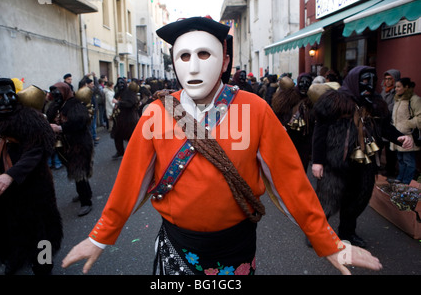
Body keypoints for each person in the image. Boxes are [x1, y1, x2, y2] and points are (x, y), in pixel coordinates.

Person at [62, 16, 382, 276]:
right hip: (177, 246)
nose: (194, 66)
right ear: (174, 62)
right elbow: (129, 182)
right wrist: (99, 237)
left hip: (235, 248)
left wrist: (328, 242)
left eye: (204, 54)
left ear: (225, 59)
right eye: (183, 56)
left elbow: (290, 184)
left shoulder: (255, 109)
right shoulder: (156, 113)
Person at [311, 66, 413, 248]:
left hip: (364, 163)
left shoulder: (376, 103)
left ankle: (347, 233)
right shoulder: (334, 101)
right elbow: (320, 131)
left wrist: (399, 137)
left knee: (358, 200)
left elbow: (385, 128)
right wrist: (317, 161)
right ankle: (316, 234)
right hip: (336, 162)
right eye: (365, 81)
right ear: (354, 80)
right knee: (327, 200)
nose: (370, 85)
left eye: (373, 81)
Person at [0, 77, 63, 274]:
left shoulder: (29, 119)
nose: (6, 100)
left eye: (10, 95)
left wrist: (10, 175)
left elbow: (36, 150)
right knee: (9, 238)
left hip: (33, 193)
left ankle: (44, 268)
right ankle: (13, 264)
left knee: (42, 237)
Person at [47, 82, 94, 217]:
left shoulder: (75, 104)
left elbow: (79, 122)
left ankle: (86, 202)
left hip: (79, 144)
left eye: (58, 94)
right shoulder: (57, 105)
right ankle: (84, 193)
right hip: (65, 145)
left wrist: (61, 128)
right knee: (74, 171)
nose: (56, 97)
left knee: (79, 172)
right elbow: (50, 116)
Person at [272, 73, 314, 172]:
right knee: (287, 168)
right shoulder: (289, 98)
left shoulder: (313, 100)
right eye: (302, 82)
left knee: (302, 169)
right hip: (289, 138)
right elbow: (277, 113)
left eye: (307, 83)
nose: (304, 85)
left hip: (305, 141)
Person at [390, 77, 421, 184]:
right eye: (396, 87)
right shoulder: (398, 99)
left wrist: (408, 124)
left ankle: (407, 182)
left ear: (406, 87)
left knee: (409, 161)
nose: (396, 89)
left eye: (399, 86)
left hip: (409, 136)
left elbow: (420, 116)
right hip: (398, 136)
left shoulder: (414, 99)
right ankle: (400, 179)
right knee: (401, 160)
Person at [110, 80, 140, 160]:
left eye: (122, 83)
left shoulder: (129, 92)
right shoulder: (120, 92)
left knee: (131, 137)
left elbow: (130, 103)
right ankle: (120, 152)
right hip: (120, 119)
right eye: (119, 83)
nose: (120, 85)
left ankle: (135, 152)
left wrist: (118, 103)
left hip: (129, 119)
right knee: (117, 136)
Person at [381, 69, 400, 178]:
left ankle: (390, 170)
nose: (387, 81)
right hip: (382, 122)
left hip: (391, 122)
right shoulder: (384, 91)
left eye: (390, 79)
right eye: (386, 79)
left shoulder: (396, 92)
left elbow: (392, 107)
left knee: (390, 151)